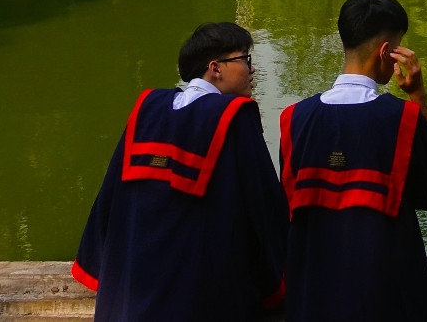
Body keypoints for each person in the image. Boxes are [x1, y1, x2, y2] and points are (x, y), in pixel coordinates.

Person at [73, 22, 288, 322]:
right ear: (216, 68)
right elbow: (263, 208)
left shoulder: (147, 109)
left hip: (131, 297)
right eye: (245, 60)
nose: (252, 70)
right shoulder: (235, 117)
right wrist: (277, 284)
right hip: (201, 299)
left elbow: (110, 200)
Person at [278, 0, 427, 322]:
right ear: (386, 51)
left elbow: (285, 207)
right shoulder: (401, 118)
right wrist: (418, 94)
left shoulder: (294, 119)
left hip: (313, 292)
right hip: (383, 291)